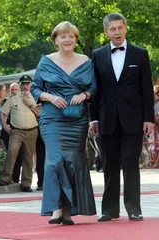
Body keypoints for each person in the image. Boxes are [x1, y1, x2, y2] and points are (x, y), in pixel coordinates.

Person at [89, 13, 154, 222]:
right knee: (109, 164)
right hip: (106, 119)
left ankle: (134, 208)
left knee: (130, 163)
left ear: (126, 28)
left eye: (120, 28)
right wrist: (93, 119)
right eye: (112, 29)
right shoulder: (97, 55)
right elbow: (95, 90)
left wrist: (149, 119)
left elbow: (146, 89)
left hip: (134, 118)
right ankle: (109, 210)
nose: (117, 32)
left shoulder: (140, 54)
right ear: (106, 32)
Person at [31, 21, 97, 225]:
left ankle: (69, 210)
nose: (67, 39)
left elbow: (94, 88)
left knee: (72, 162)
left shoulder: (86, 60)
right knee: (54, 160)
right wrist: (50, 98)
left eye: (71, 36)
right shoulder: (46, 62)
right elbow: (35, 89)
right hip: (52, 118)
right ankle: (56, 209)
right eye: (63, 36)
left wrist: (84, 95)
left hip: (77, 119)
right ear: (55, 40)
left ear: (76, 40)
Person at [0, 75, 38, 192]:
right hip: (17, 131)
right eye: (23, 84)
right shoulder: (13, 98)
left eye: (27, 83)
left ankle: (26, 184)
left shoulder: (36, 97)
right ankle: (6, 178)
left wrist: (30, 102)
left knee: (28, 157)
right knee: (12, 152)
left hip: (32, 131)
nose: (25, 86)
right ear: (20, 85)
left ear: (31, 85)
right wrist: (5, 126)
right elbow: (2, 112)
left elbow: (41, 113)